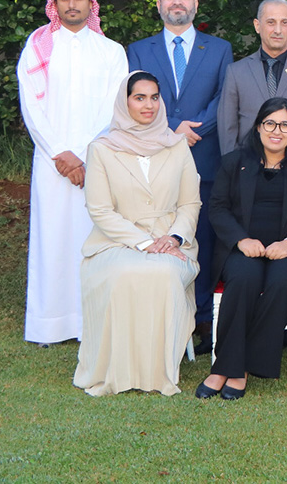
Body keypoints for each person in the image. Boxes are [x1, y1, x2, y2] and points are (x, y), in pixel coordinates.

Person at [73, 72, 200, 395]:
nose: (149, 105)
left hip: (171, 242)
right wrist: (144, 243)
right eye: (139, 98)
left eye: (154, 97)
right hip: (114, 243)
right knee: (124, 273)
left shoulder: (177, 145)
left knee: (165, 274)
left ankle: (157, 372)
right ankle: (117, 369)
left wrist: (174, 238)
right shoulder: (101, 149)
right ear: (124, 102)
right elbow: (100, 210)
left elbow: (190, 202)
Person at [16, 0, 127, 344]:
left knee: (93, 238)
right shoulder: (37, 46)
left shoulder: (111, 51)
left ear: (90, 3)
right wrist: (60, 153)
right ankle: (49, 325)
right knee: (51, 239)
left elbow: (114, 108)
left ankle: (90, 323)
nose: (72, 5)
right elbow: (31, 107)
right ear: (55, 4)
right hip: (52, 164)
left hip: (96, 160)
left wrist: (81, 154)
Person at [127, 0, 234, 349]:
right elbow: (134, 96)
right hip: (153, 156)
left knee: (201, 235)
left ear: (195, 4)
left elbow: (224, 96)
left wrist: (194, 128)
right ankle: (160, 311)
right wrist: (173, 127)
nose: (177, 2)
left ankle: (201, 317)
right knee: (159, 233)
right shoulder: (139, 50)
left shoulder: (219, 49)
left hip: (204, 154)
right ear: (158, 5)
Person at [197, 97, 287, 400]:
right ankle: (227, 369)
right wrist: (241, 240)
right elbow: (217, 208)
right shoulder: (233, 162)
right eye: (270, 123)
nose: (277, 131)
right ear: (258, 126)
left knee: (283, 281)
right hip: (243, 247)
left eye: (285, 125)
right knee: (244, 278)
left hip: (286, 249)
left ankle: (238, 365)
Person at [219, 0, 287, 159]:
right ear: (257, 26)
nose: (278, 30)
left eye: (284, 23)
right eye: (271, 22)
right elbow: (227, 127)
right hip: (248, 164)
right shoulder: (236, 72)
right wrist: (233, 166)